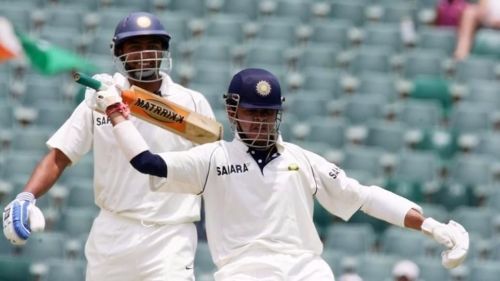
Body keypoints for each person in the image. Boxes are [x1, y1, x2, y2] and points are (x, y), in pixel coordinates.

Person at [95, 67, 469, 280]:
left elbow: (365, 196)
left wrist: (432, 226)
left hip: (306, 270)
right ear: (232, 112)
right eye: (253, 113)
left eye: (268, 113)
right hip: (244, 273)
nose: (261, 121)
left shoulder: (303, 159)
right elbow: (147, 162)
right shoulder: (211, 158)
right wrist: (115, 113)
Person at [2, 11, 216, 281]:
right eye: (134, 47)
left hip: (170, 235)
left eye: (152, 46)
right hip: (112, 232)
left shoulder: (192, 102)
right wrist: (26, 197)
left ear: (163, 51)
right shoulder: (99, 97)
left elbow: (214, 167)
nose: (143, 54)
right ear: (119, 52)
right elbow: (60, 156)